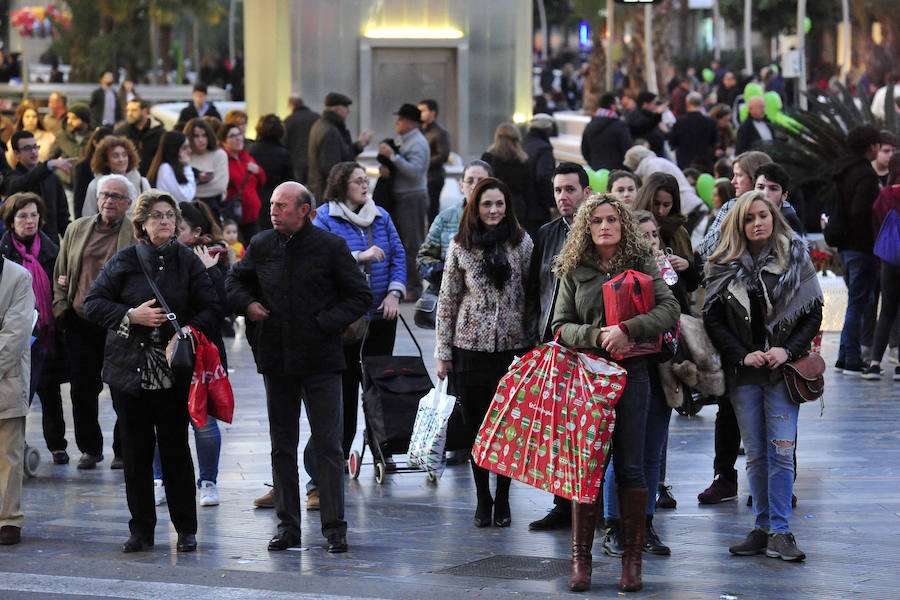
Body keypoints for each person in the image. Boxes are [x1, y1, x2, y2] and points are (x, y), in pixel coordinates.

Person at [227, 181, 371, 553]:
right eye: (272, 205)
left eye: (282, 206)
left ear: (304, 210)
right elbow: (235, 281)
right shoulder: (261, 244)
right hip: (276, 359)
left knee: (328, 446)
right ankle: (287, 528)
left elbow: (359, 295)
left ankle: (334, 529)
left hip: (321, 361)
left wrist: (324, 323)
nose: (273, 211)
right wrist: (248, 305)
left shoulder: (330, 247)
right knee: (282, 446)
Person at [552, 194, 679, 592]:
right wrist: (596, 336)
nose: (605, 226)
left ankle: (632, 561)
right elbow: (559, 326)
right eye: (596, 221)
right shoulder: (574, 267)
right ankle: (581, 562)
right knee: (587, 468)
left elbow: (669, 309)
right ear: (586, 228)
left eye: (611, 219)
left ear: (623, 224)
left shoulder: (642, 261)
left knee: (631, 466)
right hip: (589, 376)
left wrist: (627, 330)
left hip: (633, 373)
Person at [84, 189, 222, 554]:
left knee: (176, 450)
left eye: (170, 216)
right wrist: (131, 315)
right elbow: (93, 303)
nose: (165, 221)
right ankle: (141, 530)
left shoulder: (188, 261)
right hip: (129, 372)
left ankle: (186, 529)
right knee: (136, 453)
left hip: (173, 371)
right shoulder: (125, 260)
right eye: (157, 216)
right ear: (142, 223)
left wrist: (187, 331)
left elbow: (211, 307)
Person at [703, 191, 822, 562]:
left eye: (763, 215)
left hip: (784, 372)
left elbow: (813, 312)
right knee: (756, 455)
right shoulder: (722, 262)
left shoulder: (796, 256)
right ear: (739, 224)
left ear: (774, 217)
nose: (758, 223)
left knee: (781, 453)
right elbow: (712, 319)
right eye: (749, 217)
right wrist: (742, 355)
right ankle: (763, 527)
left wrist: (788, 350)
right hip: (745, 374)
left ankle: (781, 531)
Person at [436, 177, 533, 530]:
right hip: (469, 348)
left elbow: (531, 294)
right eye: (487, 204)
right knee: (476, 427)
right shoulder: (460, 245)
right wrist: (443, 351)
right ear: (475, 207)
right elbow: (448, 299)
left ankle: (503, 496)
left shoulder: (521, 243)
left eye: (499, 204)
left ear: (508, 206)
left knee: (507, 426)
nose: (494, 210)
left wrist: (534, 342)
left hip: (512, 347)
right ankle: (483, 498)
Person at [306, 161, 406, 503]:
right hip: (346, 322)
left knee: (379, 390)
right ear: (341, 184)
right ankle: (329, 469)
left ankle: (382, 451)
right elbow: (322, 259)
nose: (365, 185)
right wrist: (360, 256)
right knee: (344, 394)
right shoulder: (324, 218)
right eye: (358, 181)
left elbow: (398, 255)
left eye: (367, 180)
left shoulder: (381, 216)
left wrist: (394, 293)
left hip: (381, 316)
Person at [598, 210, 687, 560]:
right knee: (621, 453)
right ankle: (614, 525)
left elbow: (678, 310)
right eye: (643, 235)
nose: (651, 242)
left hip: (662, 369)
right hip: (625, 369)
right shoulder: (620, 269)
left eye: (655, 235)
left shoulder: (666, 273)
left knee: (651, 452)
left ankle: (644, 524)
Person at [53, 174, 139, 470]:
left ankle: (123, 449)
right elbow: (61, 272)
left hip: (118, 322)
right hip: (80, 320)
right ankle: (90, 449)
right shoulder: (77, 228)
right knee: (82, 390)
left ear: (128, 203)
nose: (109, 201)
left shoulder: (135, 232)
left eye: (116, 196)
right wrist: (62, 310)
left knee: (122, 390)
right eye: (105, 195)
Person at [526, 162, 592, 532]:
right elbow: (534, 289)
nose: (563, 196)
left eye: (570, 189)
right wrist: (533, 340)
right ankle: (562, 503)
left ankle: (596, 505)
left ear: (585, 191)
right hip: (552, 343)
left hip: (591, 343)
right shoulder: (547, 233)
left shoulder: (601, 227)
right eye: (558, 190)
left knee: (590, 428)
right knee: (558, 429)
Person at [152, 200, 230, 508]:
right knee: (162, 419)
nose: (170, 228)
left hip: (202, 351)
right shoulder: (157, 257)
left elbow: (223, 308)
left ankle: (208, 481)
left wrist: (210, 272)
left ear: (196, 232)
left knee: (204, 420)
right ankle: (159, 479)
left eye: (178, 226)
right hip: (163, 349)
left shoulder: (213, 258)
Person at [0, 194, 67, 465]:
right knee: (19, 393)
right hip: (16, 333)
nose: (29, 221)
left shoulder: (51, 250)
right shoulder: (4, 253)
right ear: (11, 220)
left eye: (34, 215)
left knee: (50, 391)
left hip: (47, 332)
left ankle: (57, 445)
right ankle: (17, 444)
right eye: (23, 216)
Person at [827, 125, 882, 375]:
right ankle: (851, 358)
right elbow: (861, 212)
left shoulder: (843, 171)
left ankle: (843, 356)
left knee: (856, 301)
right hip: (861, 247)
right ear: (871, 146)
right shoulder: (866, 175)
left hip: (845, 246)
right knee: (859, 303)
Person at [378, 104, 430, 300]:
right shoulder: (408, 141)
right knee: (403, 243)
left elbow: (414, 171)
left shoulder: (418, 143)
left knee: (412, 244)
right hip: (404, 197)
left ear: (409, 122)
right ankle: (406, 284)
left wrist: (393, 157)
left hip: (412, 197)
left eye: (399, 120)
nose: (396, 124)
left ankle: (414, 288)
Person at [417, 160, 492, 293]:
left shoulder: (502, 218)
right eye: (470, 181)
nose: (475, 186)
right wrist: (445, 275)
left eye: (481, 181)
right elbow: (423, 258)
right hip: (451, 294)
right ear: (461, 186)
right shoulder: (445, 218)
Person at [0, 256, 34, 546]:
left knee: (8, 454)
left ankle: (8, 519)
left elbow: (15, 335)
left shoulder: (18, 276)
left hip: (6, 378)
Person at [623, 145, 709, 247]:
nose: (660, 210)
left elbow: (656, 187)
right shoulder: (658, 161)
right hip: (692, 205)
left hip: (688, 209)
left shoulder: (651, 165)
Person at [863, 152, 900, 381]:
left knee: (886, 311)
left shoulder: (885, 195)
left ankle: (875, 364)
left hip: (889, 260)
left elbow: (876, 222)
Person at [698, 150, 774, 259]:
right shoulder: (730, 206)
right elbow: (704, 251)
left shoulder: (781, 208)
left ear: (755, 178)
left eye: (739, 175)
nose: (733, 181)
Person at [3, 130, 75, 240]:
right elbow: (23, 182)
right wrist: (48, 165)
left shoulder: (52, 177)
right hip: (22, 244)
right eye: (27, 148)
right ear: (16, 153)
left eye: (35, 147)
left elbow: (62, 216)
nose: (33, 152)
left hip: (51, 243)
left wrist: (72, 241)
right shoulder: (12, 178)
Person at [632, 173, 698, 288]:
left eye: (666, 205)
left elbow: (693, 284)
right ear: (647, 199)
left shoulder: (679, 231)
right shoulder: (632, 226)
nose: (660, 211)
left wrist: (686, 265)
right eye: (656, 204)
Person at [481, 122, 546, 236]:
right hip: (517, 207)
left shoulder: (488, 158)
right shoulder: (523, 161)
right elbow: (529, 191)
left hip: (493, 205)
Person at [307, 92, 373, 202]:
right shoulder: (330, 131)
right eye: (346, 107)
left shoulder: (321, 125)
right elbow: (332, 167)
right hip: (328, 194)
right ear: (336, 109)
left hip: (320, 190)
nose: (348, 111)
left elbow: (341, 155)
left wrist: (358, 146)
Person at [220, 122, 266, 242]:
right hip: (233, 218)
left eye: (239, 134)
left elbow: (262, 181)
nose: (238, 138)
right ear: (223, 142)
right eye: (232, 136)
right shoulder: (222, 160)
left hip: (252, 215)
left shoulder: (246, 157)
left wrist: (258, 170)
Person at [82, 137, 150, 218]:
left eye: (124, 155)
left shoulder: (142, 182)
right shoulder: (95, 185)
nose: (121, 159)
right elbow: (88, 217)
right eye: (115, 156)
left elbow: (150, 212)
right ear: (106, 161)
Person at [248, 114, 292, 230]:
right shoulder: (283, 153)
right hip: (275, 199)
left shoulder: (250, 150)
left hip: (253, 197)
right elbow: (288, 181)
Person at [183, 118, 228, 222]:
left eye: (204, 135)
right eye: (196, 136)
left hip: (212, 211)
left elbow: (220, 186)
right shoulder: (184, 156)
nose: (201, 140)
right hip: (187, 213)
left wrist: (190, 188)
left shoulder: (219, 155)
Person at [418, 99, 451, 224]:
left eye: (422, 110)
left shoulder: (440, 133)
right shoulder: (418, 131)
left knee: (431, 211)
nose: (419, 113)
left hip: (433, 178)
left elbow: (443, 155)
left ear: (432, 113)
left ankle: (432, 235)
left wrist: (423, 163)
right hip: (421, 178)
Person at [581, 93, 633, 171]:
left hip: (597, 170)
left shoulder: (589, 125)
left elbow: (584, 150)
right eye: (618, 104)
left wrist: (593, 164)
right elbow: (628, 149)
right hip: (617, 171)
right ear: (613, 106)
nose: (620, 107)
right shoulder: (620, 125)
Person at [669, 92, 718, 171]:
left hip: (685, 163)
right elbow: (714, 142)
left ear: (687, 104)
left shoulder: (679, 122)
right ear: (701, 104)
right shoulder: (711, 122)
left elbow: (673, 142)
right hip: (705, 163)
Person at [72, 127, 114, 218]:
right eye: (105, 144)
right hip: (91, 217)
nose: (108, 148)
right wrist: (80, 223)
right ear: (95, 143)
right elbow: (79, 200)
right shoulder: (83, 167)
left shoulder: (113, 165)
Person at [115, 99, 164, 176]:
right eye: (128, 110)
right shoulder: (121, 133)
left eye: (134, 110)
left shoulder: (159, 133)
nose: (129, 114)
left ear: (144, 111)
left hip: (152, 177)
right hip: (128, 177)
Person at [147, 131, 196, 204]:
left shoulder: (174, 168)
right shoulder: (165, 168)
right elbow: (186, 197)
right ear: (174, 149)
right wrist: (187, 166)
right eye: (184, 148)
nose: (190, 151)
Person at [522, 113, 557, 215]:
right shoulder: (544, 148)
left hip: (522, 201)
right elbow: (543, 176)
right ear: (548, 129)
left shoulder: (522, 143)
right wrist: (552, 201)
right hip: (537, 204)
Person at [283, 95, 318, 183]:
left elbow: (284, 142)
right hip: (314, 162)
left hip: (296, 162)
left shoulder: (288, 121)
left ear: (291, 105)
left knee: (298, 187)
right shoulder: (316, 117)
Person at [625, 91, 666, 156]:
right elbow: (646, 126)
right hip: (647, 152)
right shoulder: (636, 115)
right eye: (653, 103)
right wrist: (657, 115)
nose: (655, 106)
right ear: (645, 104)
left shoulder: (648, 114)